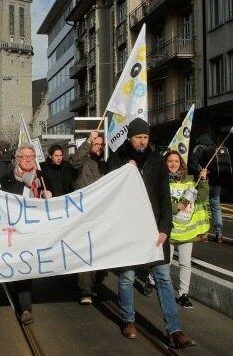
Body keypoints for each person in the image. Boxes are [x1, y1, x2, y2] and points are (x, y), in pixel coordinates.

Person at [106, 118, 196, 348]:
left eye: (146, 137)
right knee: (127, 277)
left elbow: (165, 198)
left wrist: (165, 229)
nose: (142, 142)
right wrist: (124, 171)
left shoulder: (157, 160)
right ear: (130, 138)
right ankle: (128, 320)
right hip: (128, 231)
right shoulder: (117, 159)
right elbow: (109, 191)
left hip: (155, 232)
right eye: (138, 137)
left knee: (164, 279)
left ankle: (174, 330)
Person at [0, 144, 52, 325]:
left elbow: (57, 203)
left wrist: (50, 197)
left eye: (32, 156)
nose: (29, 159)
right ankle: (25, 307)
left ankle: (24, 304)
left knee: (29, 266)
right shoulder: (6, 179)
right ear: (17, 160)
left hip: (37, 231)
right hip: (16, 232)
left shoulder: (43, 178)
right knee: (22, 267)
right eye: (24, 157)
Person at [165, 150, 210, 309]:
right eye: (170, 161)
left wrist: (203, 180)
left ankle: (183, 294)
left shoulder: (190, 181)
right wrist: (175, 207)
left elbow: (201, 197)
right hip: (167, 230)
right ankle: (154, 281)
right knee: (165, 262)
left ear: (181, 164)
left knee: (185, 263)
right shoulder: (162, 181)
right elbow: (159, 203)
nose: (173, 164)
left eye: (176, 161)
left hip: (186, 231)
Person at [71, 131, 107, 304]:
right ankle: (85, 289)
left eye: (100, 145)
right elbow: (75, 161)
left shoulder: (104, 165)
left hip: (99, 213)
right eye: (95, 144)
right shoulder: (82, 163)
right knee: (85, 250)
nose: (98, 147)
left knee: (98, 249)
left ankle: (93, 285)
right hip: (84, 212)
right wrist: (87, 141)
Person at [188, 134, 224, 242]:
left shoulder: (198, 148)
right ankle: (219, 233)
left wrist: (200, 173)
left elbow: (192, 165)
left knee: (202, 207)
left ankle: (204, 233)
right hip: (217, 182)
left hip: (204, 182)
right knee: (216, 206)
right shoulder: (216, 147)